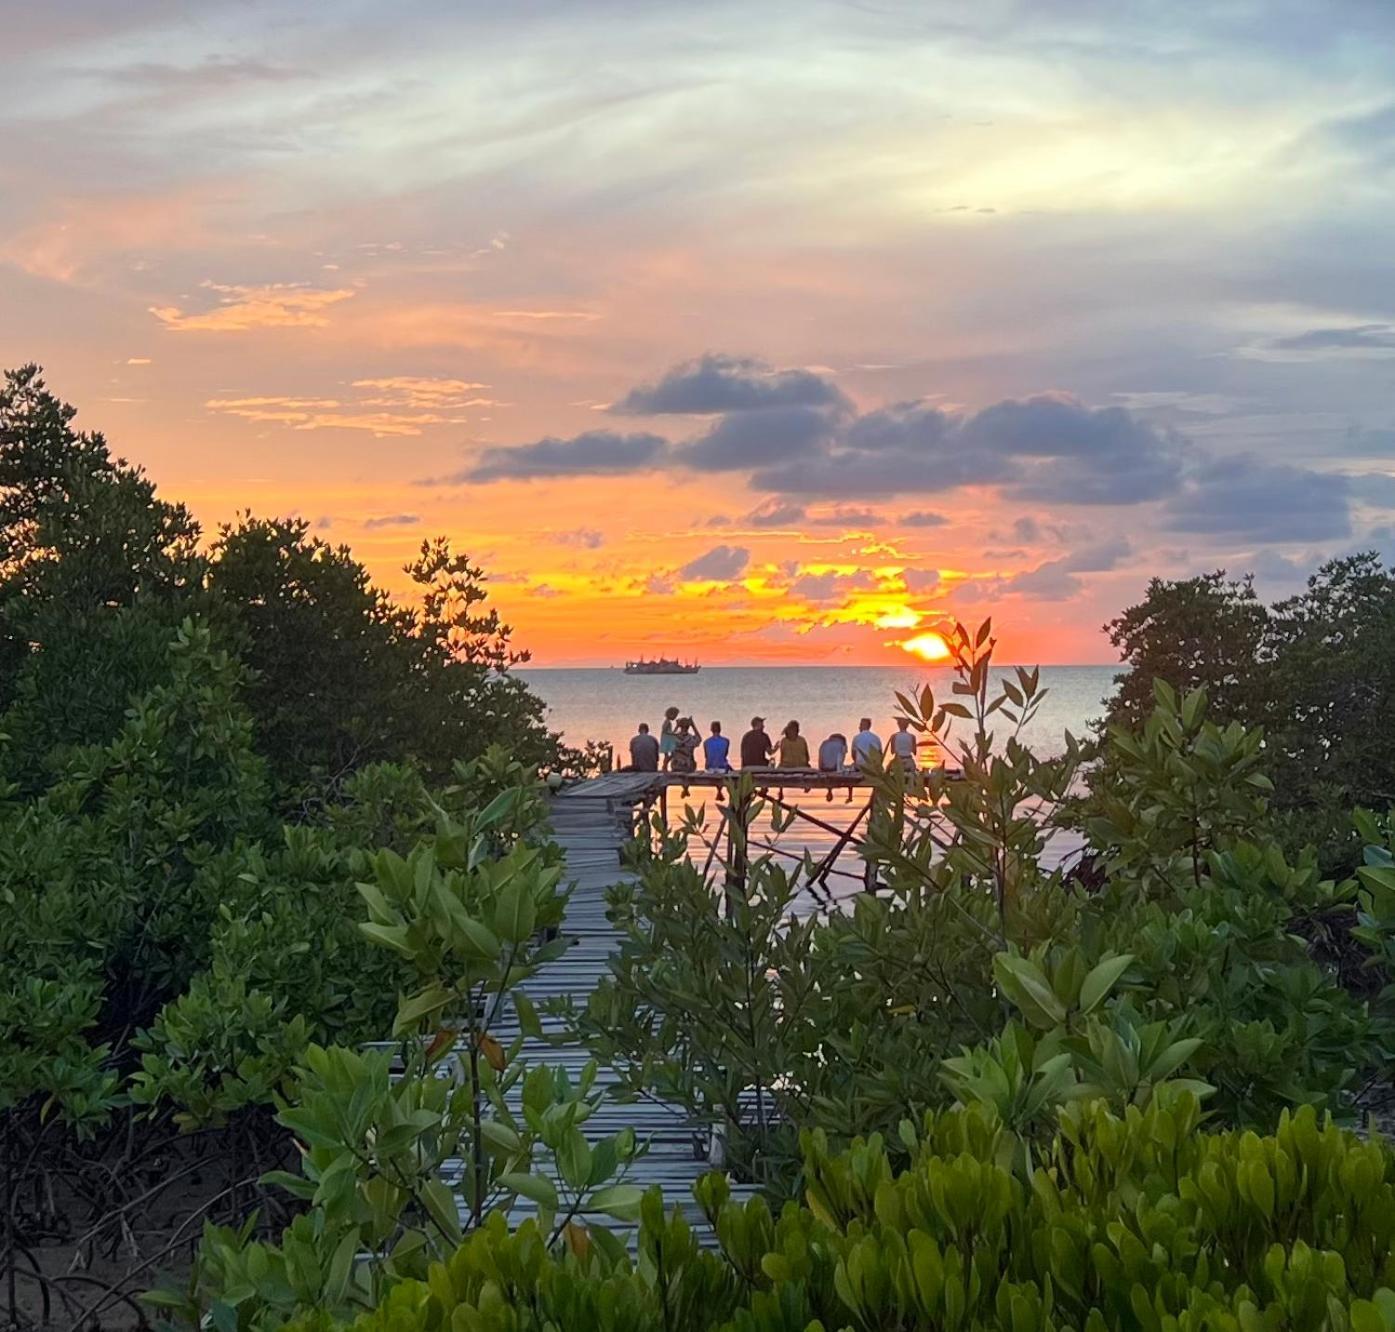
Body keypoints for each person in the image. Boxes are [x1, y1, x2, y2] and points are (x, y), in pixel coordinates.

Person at [659, 705, 680, 771]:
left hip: (668, 739)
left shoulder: (668, 721)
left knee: (668, 754)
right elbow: (664, 731)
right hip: (667, 740)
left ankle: (665, 766)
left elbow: (670, 731)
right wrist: (673, 734)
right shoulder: (667, 721)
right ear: (671, 714)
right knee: (672, 753)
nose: (675, 717)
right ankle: (664, 766)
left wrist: (677, 726)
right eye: (675, 715)